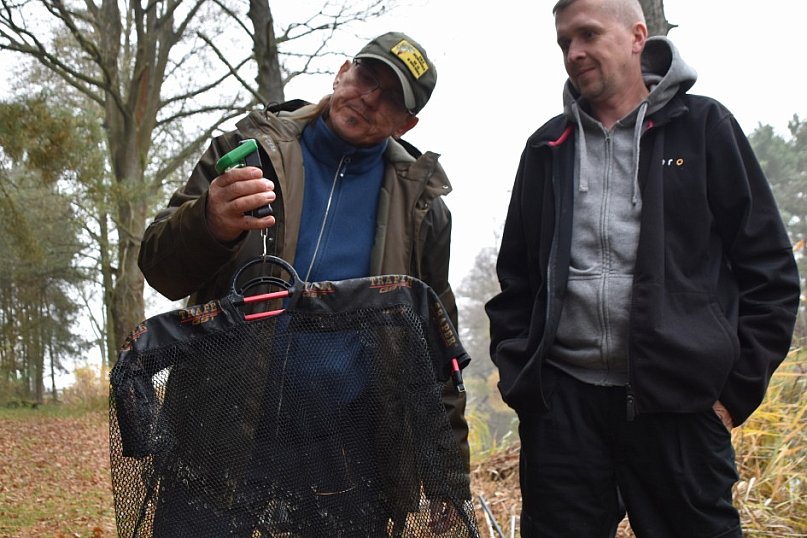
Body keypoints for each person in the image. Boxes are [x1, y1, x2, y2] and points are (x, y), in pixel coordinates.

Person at [485, 0, 801, 536]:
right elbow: (517, 280)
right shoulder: (546, 147)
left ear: (637, 36)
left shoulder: (703, 126)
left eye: (587, 34)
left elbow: (769, 269)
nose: (574, 52)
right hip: (565, 413)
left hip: (681, 406)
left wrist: (732, 395)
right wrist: (528, 388)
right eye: (564, 42)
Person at [138, 31, 469, 534]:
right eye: (366, 77)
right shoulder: (246, 152)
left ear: (407, 124)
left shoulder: (423, 211)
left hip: (344, 458)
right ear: (342, 72)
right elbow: (160, 267)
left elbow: (436, 349)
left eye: (391, 97)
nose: (368, 98)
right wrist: (210, 221)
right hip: (216, 435)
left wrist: (447, 476)